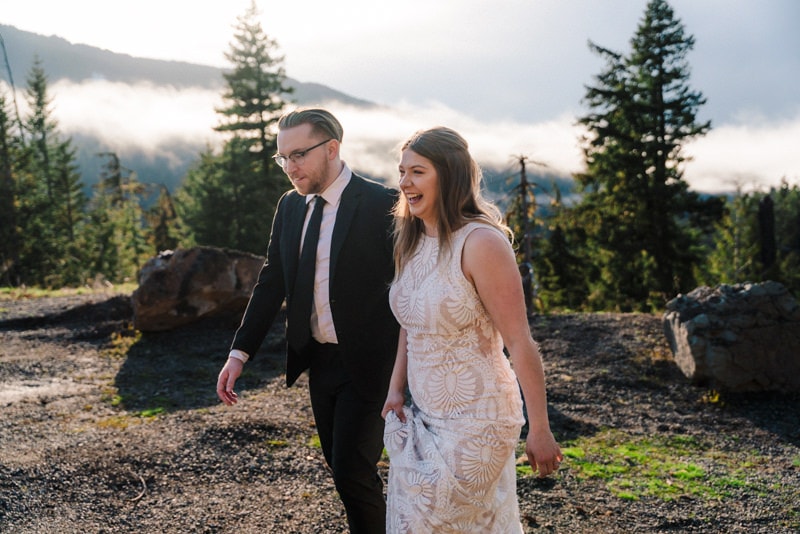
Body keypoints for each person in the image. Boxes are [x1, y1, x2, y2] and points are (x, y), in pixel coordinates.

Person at [216, 108, 399, 533]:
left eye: (298, 154)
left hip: (372, 365)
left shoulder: (382, 204)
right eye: (282, 158)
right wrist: (239, 353)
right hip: (319, 361)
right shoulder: (290, 207)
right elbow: (272, 281)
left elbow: (410, 285)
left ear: (332, 148)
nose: (290, 167)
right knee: (343, 471)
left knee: (352, 470)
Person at [381, 126, 562, 532]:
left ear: (450, 175)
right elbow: (411, 324)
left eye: (418, 172)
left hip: (479, 420)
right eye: (402, 171)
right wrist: (395, 390)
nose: (404, 183)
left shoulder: (481, 243)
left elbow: (519, 340)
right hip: (424, 416)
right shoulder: (410, 241)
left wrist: (541, 429)